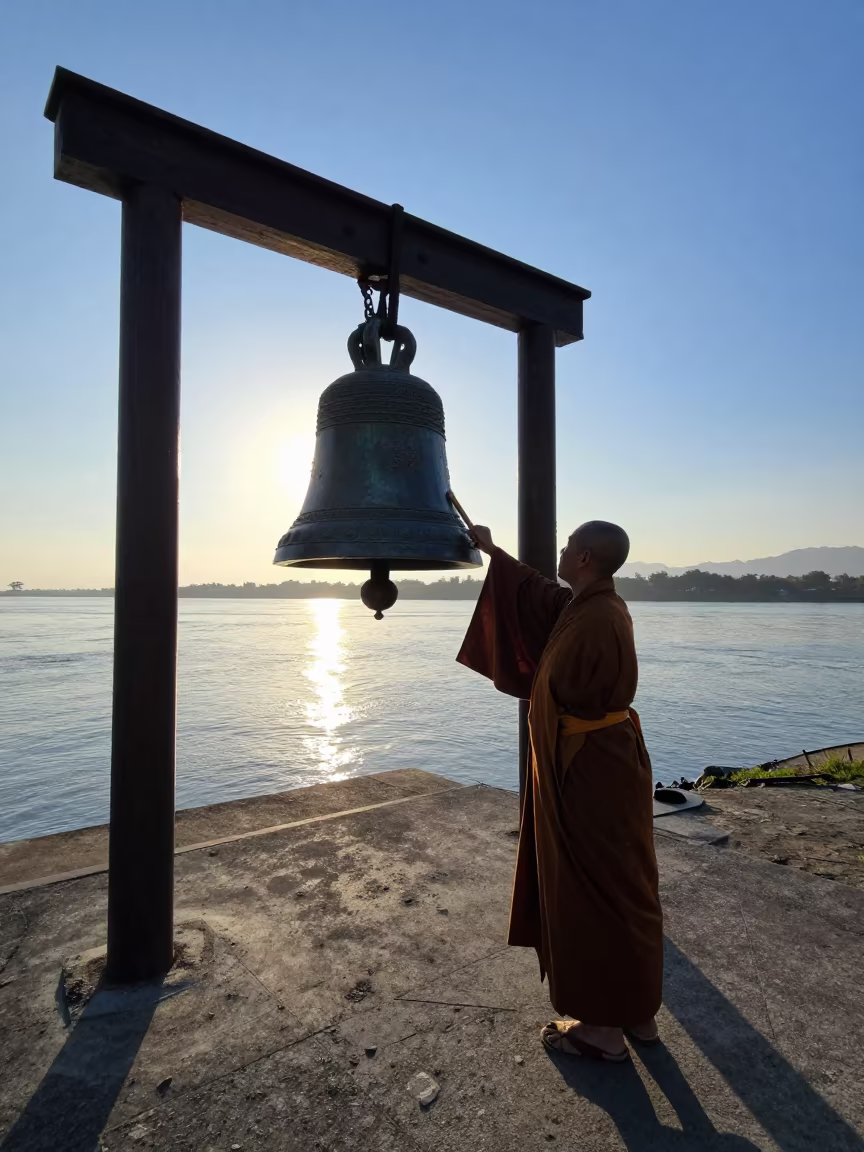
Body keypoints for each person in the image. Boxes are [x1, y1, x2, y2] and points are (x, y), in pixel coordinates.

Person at [456, 520, 663, 1062]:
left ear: (587, 557)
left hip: (589, 772)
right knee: (623, 885)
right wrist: (493, 551)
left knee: (591, 892)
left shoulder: (596, 619)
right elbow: (543, 598)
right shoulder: (592, 605)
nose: (561, 552)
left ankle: (601, 1029)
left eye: (569, 547)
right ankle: (636, 1010)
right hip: (602, 764)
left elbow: (558, 678)